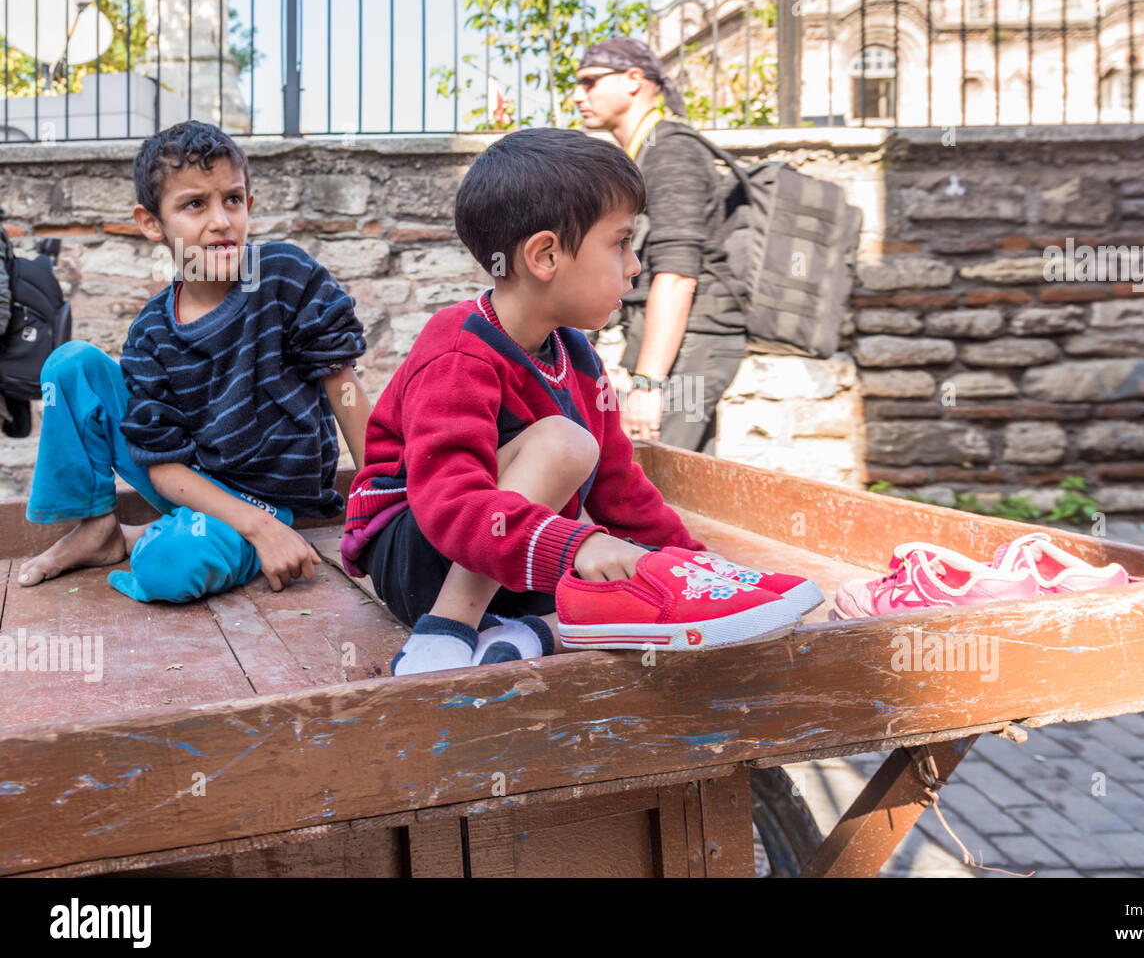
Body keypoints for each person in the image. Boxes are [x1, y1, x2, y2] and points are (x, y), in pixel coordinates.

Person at [340, 126, 728, 674]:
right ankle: (446, 630)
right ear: (545, 255)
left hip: (513, 558)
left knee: (645, 582)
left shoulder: (578, 355)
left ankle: (526, 636)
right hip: (423, 556)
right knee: (566, 444)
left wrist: (695, 568)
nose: (635, 265)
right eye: (620, 242)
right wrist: (578, 548)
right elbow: (450, 502)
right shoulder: (458, 349)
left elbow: (621, 490)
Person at [17, 120, 371, 603]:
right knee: (70, 364)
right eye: (193, 205)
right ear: (151, 223)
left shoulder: (286, 277)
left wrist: (382, 499)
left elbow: (344, 390)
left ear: (248, 205)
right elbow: (161, 465)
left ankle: (151, 537)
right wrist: (257, 532)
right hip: (189, 484)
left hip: (270, 498)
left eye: (232, 199)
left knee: (169, 568)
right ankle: (100, 530)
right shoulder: (150, 333)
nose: (221, 221)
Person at [573, 36, 746, 453]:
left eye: (590, 81)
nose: (577, 95)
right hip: (673, 342)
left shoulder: (672, 152)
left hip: (694, 342)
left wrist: (649, 383)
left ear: (634, 80)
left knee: (659, 479)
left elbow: (678, 274)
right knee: (683, 484)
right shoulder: (642, 153)